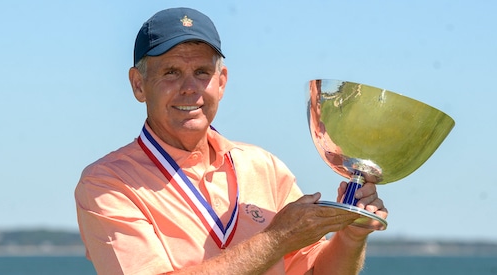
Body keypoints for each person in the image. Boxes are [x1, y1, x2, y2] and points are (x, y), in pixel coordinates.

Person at [75, 7, 387, 275]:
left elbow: (315, 271)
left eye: (201, 72)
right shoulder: (108, 183)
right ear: (138, 85)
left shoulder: (263, 167)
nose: (189, 88)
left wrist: (352, 236)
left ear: (221, 82)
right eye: (171, 72)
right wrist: (277, 239)